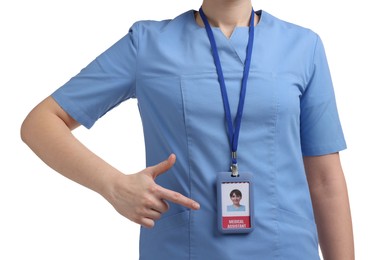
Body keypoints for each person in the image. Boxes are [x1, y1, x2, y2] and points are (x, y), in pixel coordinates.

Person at [21, 0, 354, 259]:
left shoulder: (304, 48)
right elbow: (41, 122)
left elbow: (325, 179)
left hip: (286, 252)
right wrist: (113, 185)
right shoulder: (147, 45)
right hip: (180, 251)